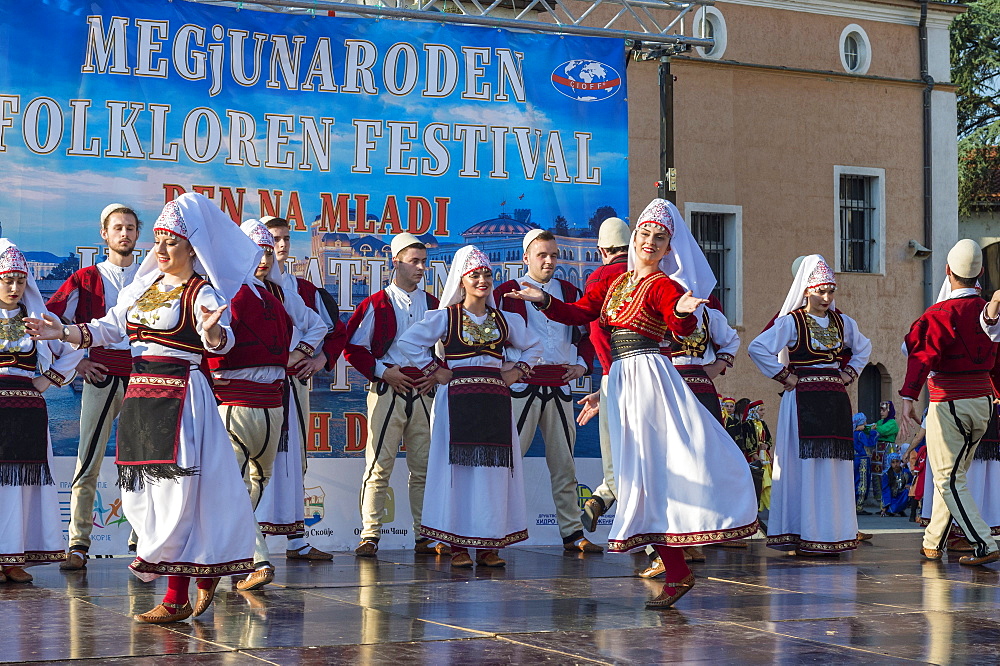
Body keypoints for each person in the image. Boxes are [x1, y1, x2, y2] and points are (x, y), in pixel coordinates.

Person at [509, 199, 759, 609]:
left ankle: (679, 564)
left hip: (648, 376)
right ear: (635, 235)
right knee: (637, 478)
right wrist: (544, 299)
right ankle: (676, 571)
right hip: (622, 379)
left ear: (667, 248)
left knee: (648, 474)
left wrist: (682, 313)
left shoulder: (665, 286)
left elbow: (680, 325)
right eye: (645, 233)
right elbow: (580, 312)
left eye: (659, 238)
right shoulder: (615, 283)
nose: (650, 241)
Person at [28, 193, 261, 621]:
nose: (161, 250)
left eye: (171, 241)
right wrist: (58, 330)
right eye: (157, 241)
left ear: (192, 247)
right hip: (141, 397)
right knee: (143, 497)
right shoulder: (147, 288)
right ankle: (198, 572)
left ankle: (177, 596)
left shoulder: (200, 291)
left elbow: (222, 339)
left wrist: (212, 334)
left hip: (181, 399)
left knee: (179, 494)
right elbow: (108, 328)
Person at [397, 246, 543, 568]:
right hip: (457, 403)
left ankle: (489, 545)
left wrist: (516, 372)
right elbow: (408, 342)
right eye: (474, 275)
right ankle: (458, 546)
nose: (482, 280)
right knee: (458, 473)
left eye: (487, 274)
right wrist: (435, 370)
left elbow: (536, 344)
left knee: (493, 475)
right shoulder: (446, 316)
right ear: (461, 280)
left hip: (494, 403)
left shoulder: (504, 320)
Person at [748, 254, 872, 556]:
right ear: (806, 290)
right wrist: (784, 376)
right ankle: (803, 532)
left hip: (834, 400)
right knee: (803, 466)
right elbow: (757, 347)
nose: (827, 298)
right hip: (801, 399)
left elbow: (864, 347)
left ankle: (832, 532)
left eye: (831, 291)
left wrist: (849, 373)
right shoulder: (791, 322)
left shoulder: (843, 323)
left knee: (833, 468)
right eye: (821, 291)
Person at [205, 220, 299, 594]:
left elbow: (312, 327)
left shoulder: (273, 295)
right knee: (238, 484)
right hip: (236, 400)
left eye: (264, 250)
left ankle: (229, 555)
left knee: (257, 482)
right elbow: (215, 338)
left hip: (271, 401)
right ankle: (257, 558)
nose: (260, 257)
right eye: (253, 250)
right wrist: (214, 337)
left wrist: (308, 351)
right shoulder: (223, 290)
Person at [46, 204, 142, 570]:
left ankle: (143, 542)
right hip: (101, 375)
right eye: (118, 227)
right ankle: (79, 544)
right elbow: (51, 320)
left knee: (143, 463)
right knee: (88, 461)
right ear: (104, 234)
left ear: (137, 234)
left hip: (142, 379)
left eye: (130, 228)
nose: (124, 234)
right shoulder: (86, 278)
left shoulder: (151, 277)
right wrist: (78, 361)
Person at [494, 229, 600, 554]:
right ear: (526, 257)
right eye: (542, 255)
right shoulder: (507, 292)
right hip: (522, 387)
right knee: (507, 462)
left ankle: (572, 533)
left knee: (565, 463)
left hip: (559, 384)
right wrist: (508, 371)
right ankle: (493, 533)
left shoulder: (569, 290)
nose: (550, 260)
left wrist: (583, 364)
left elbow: (588, 332)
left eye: (553, 254)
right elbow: (492, 337)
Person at [344, 232, 449, 558]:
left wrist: (434, 374)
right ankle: (371, 534)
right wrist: (382, 371)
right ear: (396, 262)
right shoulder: (375, 303)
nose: (421, 268)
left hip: (422, 393)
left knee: (424, 468)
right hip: (388, 389)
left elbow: (447, 349)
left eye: (423, 262)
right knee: (378, 464)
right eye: (414, 262)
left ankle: (424, 534)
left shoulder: (434, 305)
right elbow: (353, 347)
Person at [899, 239, 1000, 566]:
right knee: (953, 473)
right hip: (983, 403)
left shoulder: (937, 314)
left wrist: (908, 397)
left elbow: (915, 353)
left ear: (947, 272)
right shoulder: (986, 313)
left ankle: (984, 543)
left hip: (950, 403)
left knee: (947, 477)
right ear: (980, 274)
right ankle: (932, 543)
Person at [258, 216, 343, 561]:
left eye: (285, 239)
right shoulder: (239, 286)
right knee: (255, 461)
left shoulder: (303, 290)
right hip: (251, 387)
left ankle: (295, 540)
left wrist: (318, 360)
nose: (280, 246)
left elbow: (333, 331)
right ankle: (249, 543)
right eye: (273, 239)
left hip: (292, 385)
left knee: (295, 459)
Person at [0, 239, 82, 584]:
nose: (15, 287)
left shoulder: (36, 319)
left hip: (29, 411)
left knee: (23, 487)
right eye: (7, 280)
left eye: (20, 280)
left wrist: (47, 379)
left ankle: (14, 556)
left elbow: (74, 346)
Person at [571, 217, 629, 533]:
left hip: (614, 378)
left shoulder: (599, 278)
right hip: (649, 378)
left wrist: (606, 378)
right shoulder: (646, 277)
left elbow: (595, 332)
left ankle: (603, 498)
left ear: (601, 250)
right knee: (645, 460)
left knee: (617, 459)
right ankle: (656, 545)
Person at [852, 413, 874, 515]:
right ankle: (859, 506)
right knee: (862, 482)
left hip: (855, 459)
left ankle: (854, 505)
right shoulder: (860, 434)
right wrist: (873, 432)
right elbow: (870, 443)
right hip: (862, 460)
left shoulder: (853, 434)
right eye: (864, 422)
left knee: (856, 481)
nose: (866, 424)